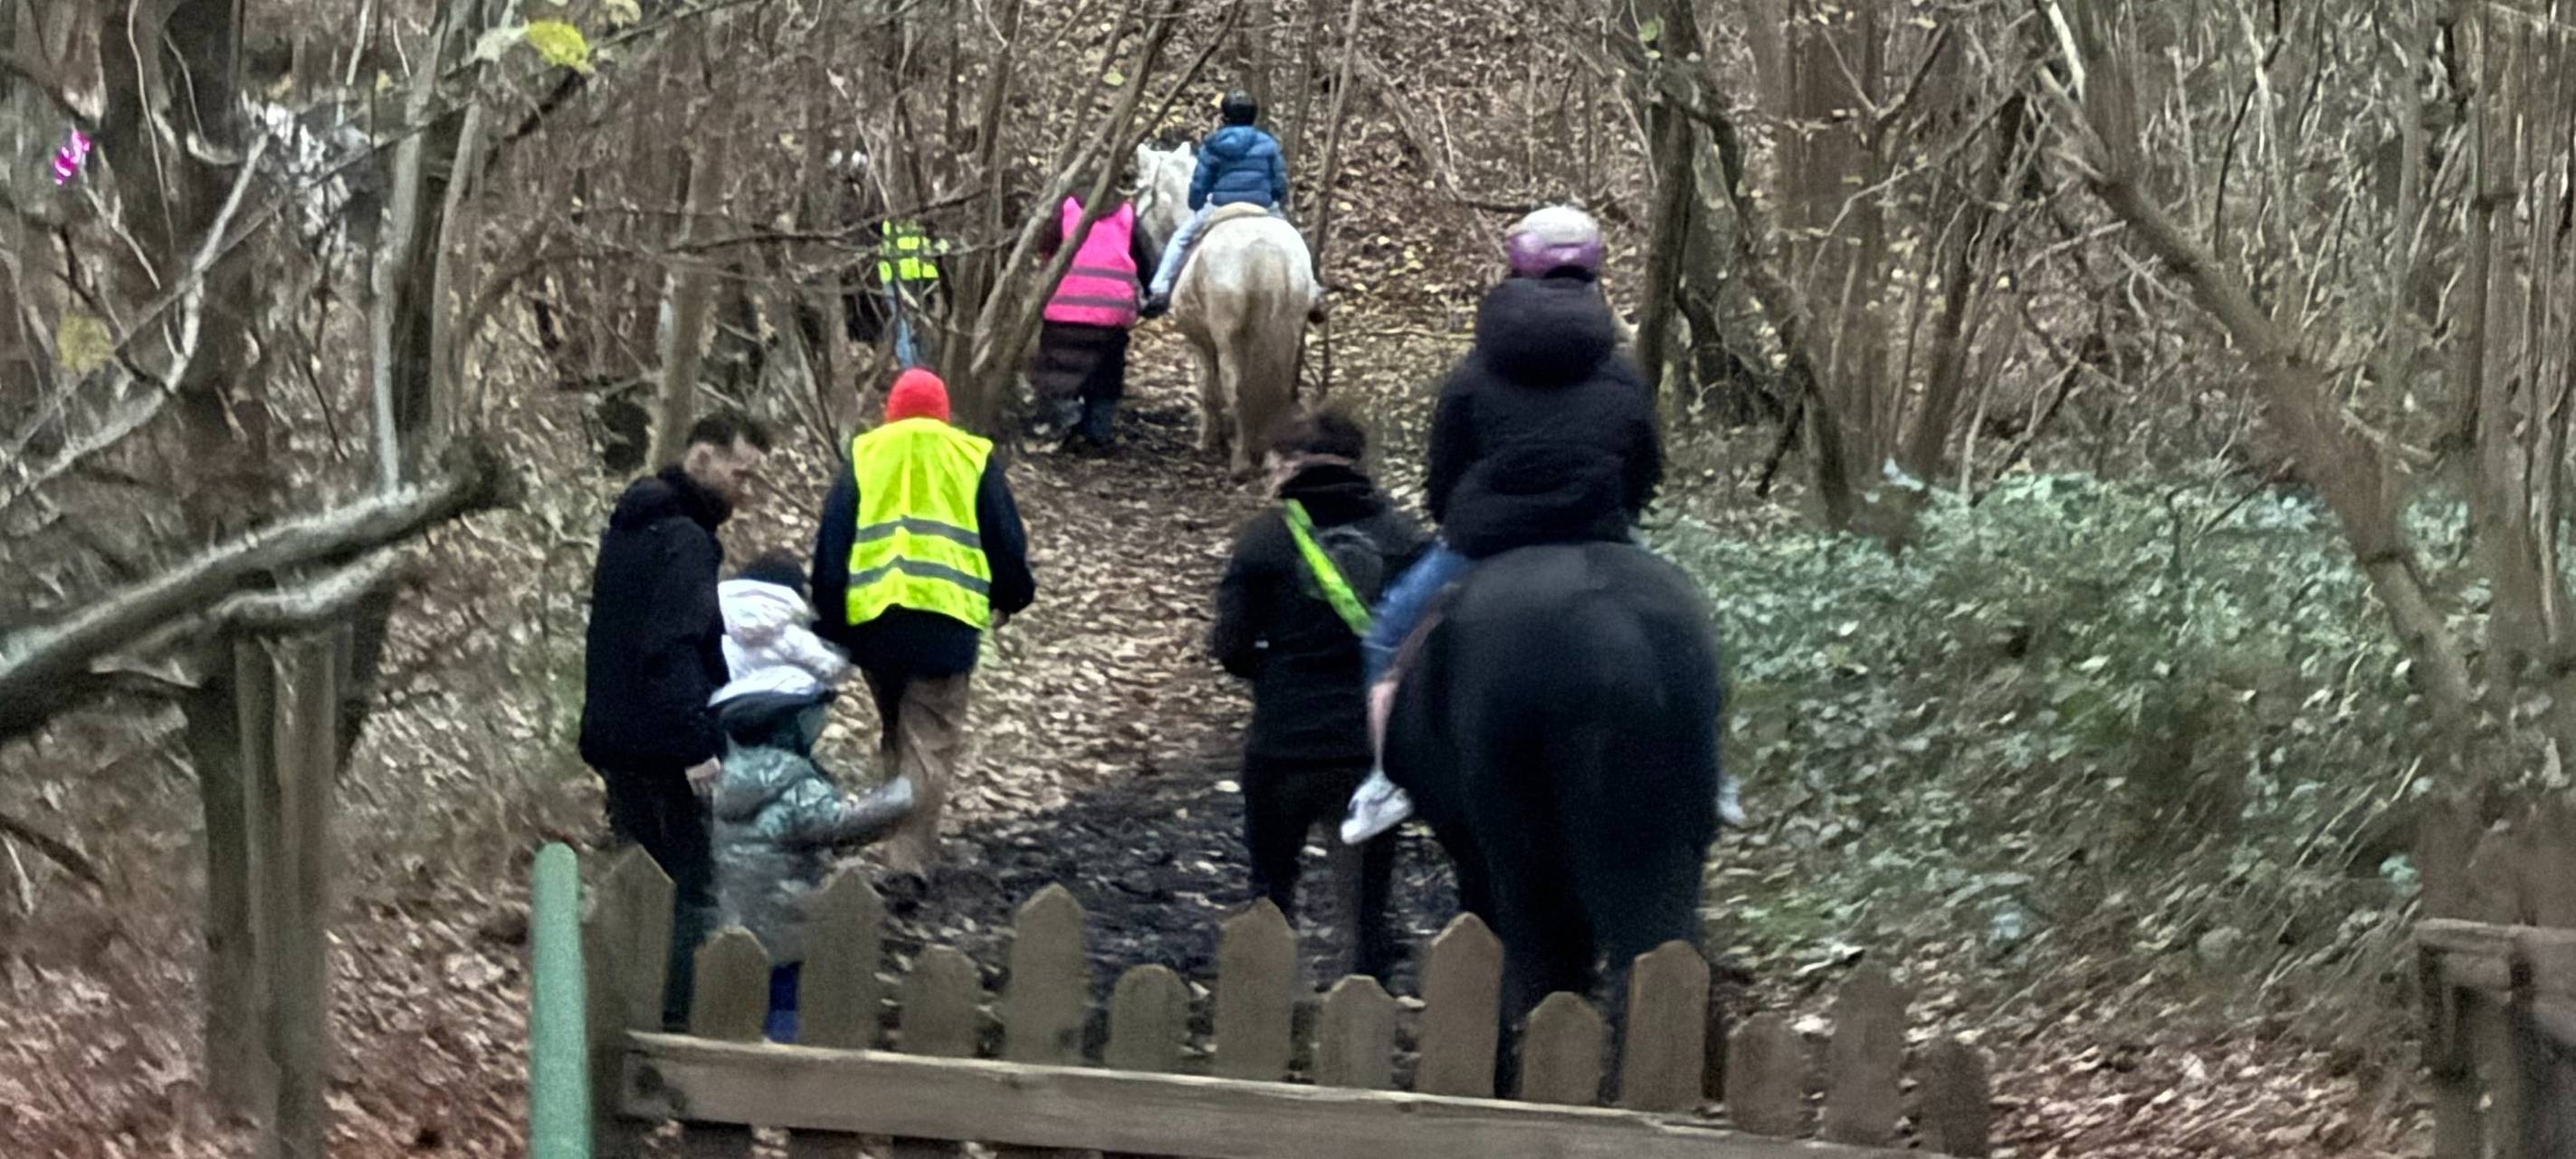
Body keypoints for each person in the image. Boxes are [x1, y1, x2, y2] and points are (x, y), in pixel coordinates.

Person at [1342, 206, 1745, 843]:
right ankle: (1712, 774)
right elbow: (1645, 468)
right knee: (1693, 629)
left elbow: (1444, 475)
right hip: (1599, 531)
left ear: (1515, 269)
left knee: (1387, 639)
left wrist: (1461, 525)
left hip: (1484, 543)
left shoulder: (1474, 371)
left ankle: (1384, 782)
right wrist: (1617, 517)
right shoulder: (1623, 374)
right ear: (1596, 273)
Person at [1211, 411, 1425, 980]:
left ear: (1290, 465)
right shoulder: (1403, 539)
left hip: (1281, 746)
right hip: (1365, 752)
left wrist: (1278, 675)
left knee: (1269, 893)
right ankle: (1361, 1022)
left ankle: (1260, 1011)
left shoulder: (1264, 538)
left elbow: (1229, 646)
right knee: (1365, 909)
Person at [579, 409, 773, 1029]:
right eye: (741, 476)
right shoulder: (686, 541)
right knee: (688, 891)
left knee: (634, 881)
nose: (746, 495)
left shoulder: (631, 528)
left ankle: (622, 1010)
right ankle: (672, 1024)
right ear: (702, 460)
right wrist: (697, 745)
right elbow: (673, 647)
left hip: (614, 734)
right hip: (663, 745)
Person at [813, 369, 1037, 874]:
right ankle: (906, 863)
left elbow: (833, 541)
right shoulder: (971, 456)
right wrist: (1012, 596)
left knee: (897, 735)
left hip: (873, 626)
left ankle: (892, 838)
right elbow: (1004, 537)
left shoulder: (865, 455)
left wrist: (831, 623)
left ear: (889, 411)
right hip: (945, 624)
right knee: (928, 745)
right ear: (943, 412)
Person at [710, 685, 914, 1043]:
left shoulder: (734, 776)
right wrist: (895, 799)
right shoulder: (794, 780)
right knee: (786, 998)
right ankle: (781, 1066)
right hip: (786, 908)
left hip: (738, 903)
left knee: (746, 991)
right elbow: (834, 824)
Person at [1142, 90, 1290, 317]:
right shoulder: (1268, 144)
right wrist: (1278, 198)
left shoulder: (1213, 145)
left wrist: (1196, 203)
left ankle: (1159, 289)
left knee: (1181, 239)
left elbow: (1201, 182)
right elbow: (1279, 179)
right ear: (1254, 116)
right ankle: (1313, 290)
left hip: (1222, 204)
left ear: (1225, 116)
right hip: (1262, 204)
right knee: (1291, 239)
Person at [1033, 186, 1158, 449]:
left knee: (1058, 370)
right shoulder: (1127, 215)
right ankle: (1097, 429)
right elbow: (1148, 261)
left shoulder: (1063, 211)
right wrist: (1150, 296)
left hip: (1062, 310)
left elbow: (1042, 246)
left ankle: (1064, 421)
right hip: (1111, 313)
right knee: (1106, 374)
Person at [713, 551, 852, 703]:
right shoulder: (787, 629)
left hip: (716, 694)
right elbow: (830, 667)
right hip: (759, 708)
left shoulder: (718, 605)